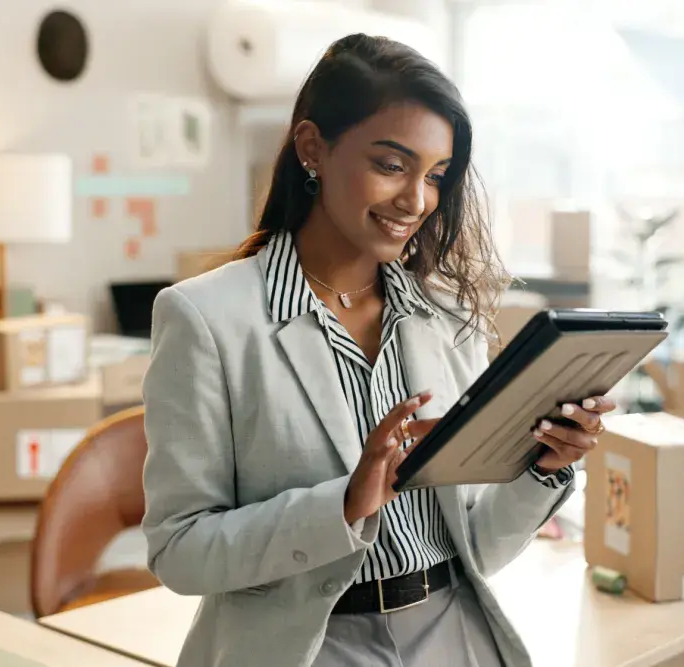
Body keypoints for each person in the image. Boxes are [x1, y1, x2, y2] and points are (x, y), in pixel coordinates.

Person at [141, 33, 614, 667]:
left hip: (452, 635)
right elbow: (179, 550)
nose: (416, 201)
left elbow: (478, 546)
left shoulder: (447, 316)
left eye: (436, 176)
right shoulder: (205, 318)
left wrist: (543, 466)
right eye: (392, 165)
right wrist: (343, 503)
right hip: (306, 649)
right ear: (313, 148)